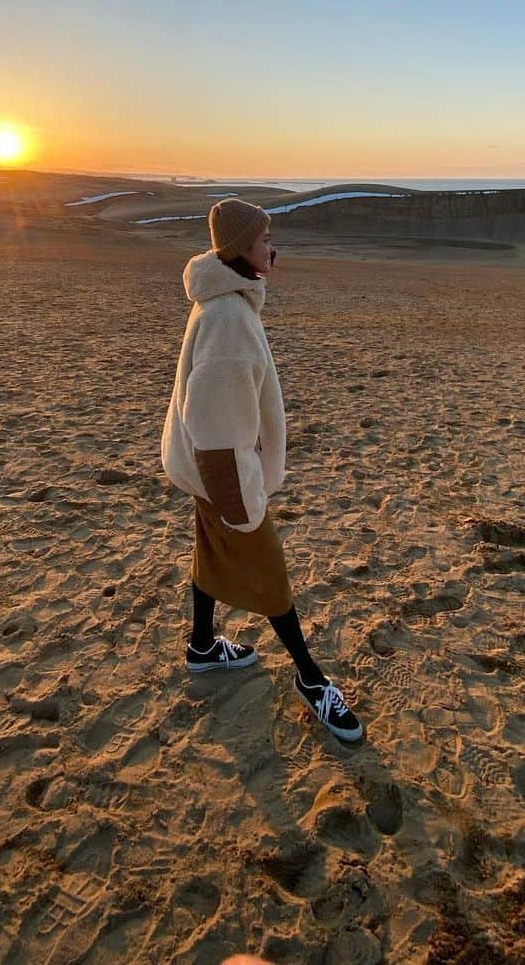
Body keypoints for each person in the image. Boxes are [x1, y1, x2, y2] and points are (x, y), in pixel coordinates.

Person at [161, 199, 364, 743]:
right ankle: (311, 678)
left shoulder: (224, 299)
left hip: (207, 471)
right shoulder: (229, 318)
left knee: (209, 550)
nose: (272, 248)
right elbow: (217, 425)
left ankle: (203, 647)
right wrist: (243, 502)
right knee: (270, 572)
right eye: (263, 239)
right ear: (237, 249)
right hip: (224, 475)